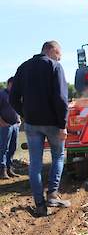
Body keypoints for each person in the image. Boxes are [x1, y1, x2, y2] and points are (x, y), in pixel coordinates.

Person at [10, 41, 70, 217]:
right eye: (59, 54)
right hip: (52, 124)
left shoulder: (23, 67)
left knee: (35, 164)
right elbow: (61, 98)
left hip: (32, 125)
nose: (59, 58)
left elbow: (13, 98)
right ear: (52, 50)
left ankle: (39, 204)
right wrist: (63, 125)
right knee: (58, 156)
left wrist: (25, 114)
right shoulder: (54, 66)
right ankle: (52, 195)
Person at [0, 77, 21, 179]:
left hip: (15, 125)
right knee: (3, 148)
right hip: (5, 126)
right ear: (9, 84)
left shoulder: (15, 95)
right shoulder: (2, 94)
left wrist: (19, 120)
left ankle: (9, 168)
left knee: (13, 147)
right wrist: (2, 122)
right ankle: (2, 170)